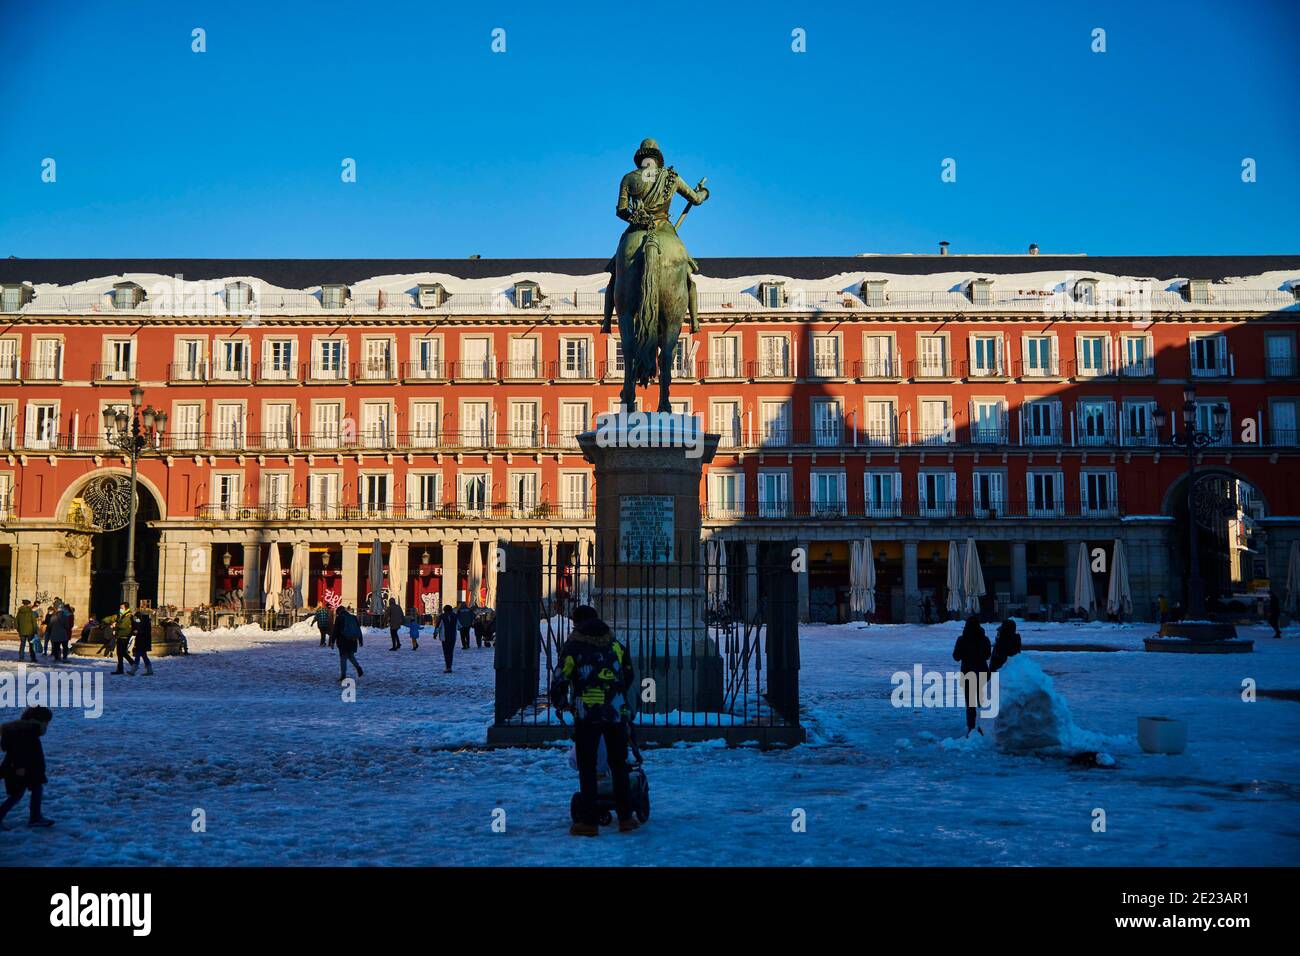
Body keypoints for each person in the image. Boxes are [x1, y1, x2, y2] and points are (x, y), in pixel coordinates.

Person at [552, 611, 637, 836]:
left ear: (577, 623)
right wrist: (616, 694)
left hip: (587, 712)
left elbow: (561, 677)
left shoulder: (574, 646)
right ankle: (626, 817)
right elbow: (629, 672)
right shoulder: (615, 644)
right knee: (618, 763)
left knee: (587, 765)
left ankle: (589, 822)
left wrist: (560, 702)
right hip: (616, 712)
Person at [0, 705, 55, 829]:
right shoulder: (27, 731)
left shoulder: (25, 729)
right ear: (40, 720)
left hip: (27, 768)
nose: (47, 725)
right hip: (21, 769)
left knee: (35, 789)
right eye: (46, 722)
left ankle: (35, 817)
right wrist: (19, 767)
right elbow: (19, 751)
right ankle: (35, 818)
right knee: (17, 794)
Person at [952, 614, 991, 737]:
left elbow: (956, 657)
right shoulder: (984, 639)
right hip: (983, 672)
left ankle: (971, 727)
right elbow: (987, 655)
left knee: (970, 704)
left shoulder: (962, 639)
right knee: (983, 702)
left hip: (968, 673)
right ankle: (984, 726)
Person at [331, 605, 364, 682]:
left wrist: (332, 641)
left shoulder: (339, 618)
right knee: (350, 655)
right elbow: (358, 629)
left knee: (343, 658)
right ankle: (358, 668)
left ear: (338, 612)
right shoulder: (353, 617)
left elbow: (335, 630)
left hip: (343, 641)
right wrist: (360, 640)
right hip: (352, 640)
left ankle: (343, 675)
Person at [107, 604, 134, 675]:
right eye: (120, 608)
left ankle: (132, 664)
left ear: (126, 608)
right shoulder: (123, 615)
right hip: (121, 636)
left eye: (122, 608)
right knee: (121, 653)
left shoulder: (128, 616)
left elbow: (123, 625)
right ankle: (123, 668)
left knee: (121, 652)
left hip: (124, 636)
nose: (120, 609)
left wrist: (116, 624)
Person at [128, 607, 153, 676]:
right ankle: (149, 670)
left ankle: (133, 670)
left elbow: (140, 630)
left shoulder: (142, 622)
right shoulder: (146, 622)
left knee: (138, 655)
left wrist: (137, 630)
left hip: (141, 641)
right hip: (144, 641)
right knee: (144, 656)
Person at [439, 604, 458, 673]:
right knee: (451, 651)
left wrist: (435, 633)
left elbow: (439, 626)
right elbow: (459, 626)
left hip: (444, 636)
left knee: (446, 652)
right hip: (453, 636)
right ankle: (449, 666)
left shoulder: (442, 616)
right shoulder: (455, 616)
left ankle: (448, 667)